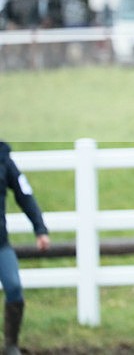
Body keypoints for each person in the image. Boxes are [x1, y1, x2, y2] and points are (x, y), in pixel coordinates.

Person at [0, 142, 49, 355]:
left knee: (13, 286)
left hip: (0, 243)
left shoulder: (3, 160)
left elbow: (24, 194)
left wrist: (40, 228)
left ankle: (11, 345)